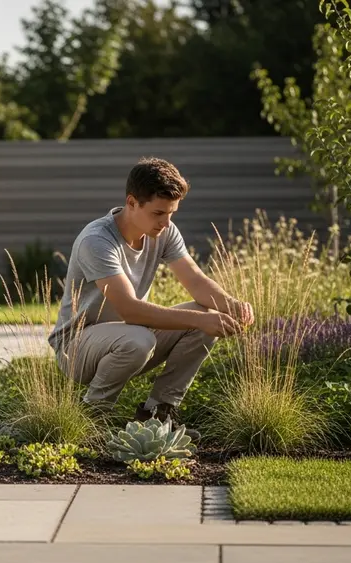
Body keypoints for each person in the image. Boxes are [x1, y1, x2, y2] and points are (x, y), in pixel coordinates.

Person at [47, 157, 254, 439]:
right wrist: (204, 319)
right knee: (145, 337)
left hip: (128, 334)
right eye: (159, 213)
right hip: (77, 345)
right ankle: (92, 419)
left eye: (171, 213)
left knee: (201, 313)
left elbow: (194, 279)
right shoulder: (97, 240)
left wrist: (232, 307)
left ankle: (156, 415)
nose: (166, 223)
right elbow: (130, 310)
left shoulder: (163, 232)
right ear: (132, 203)